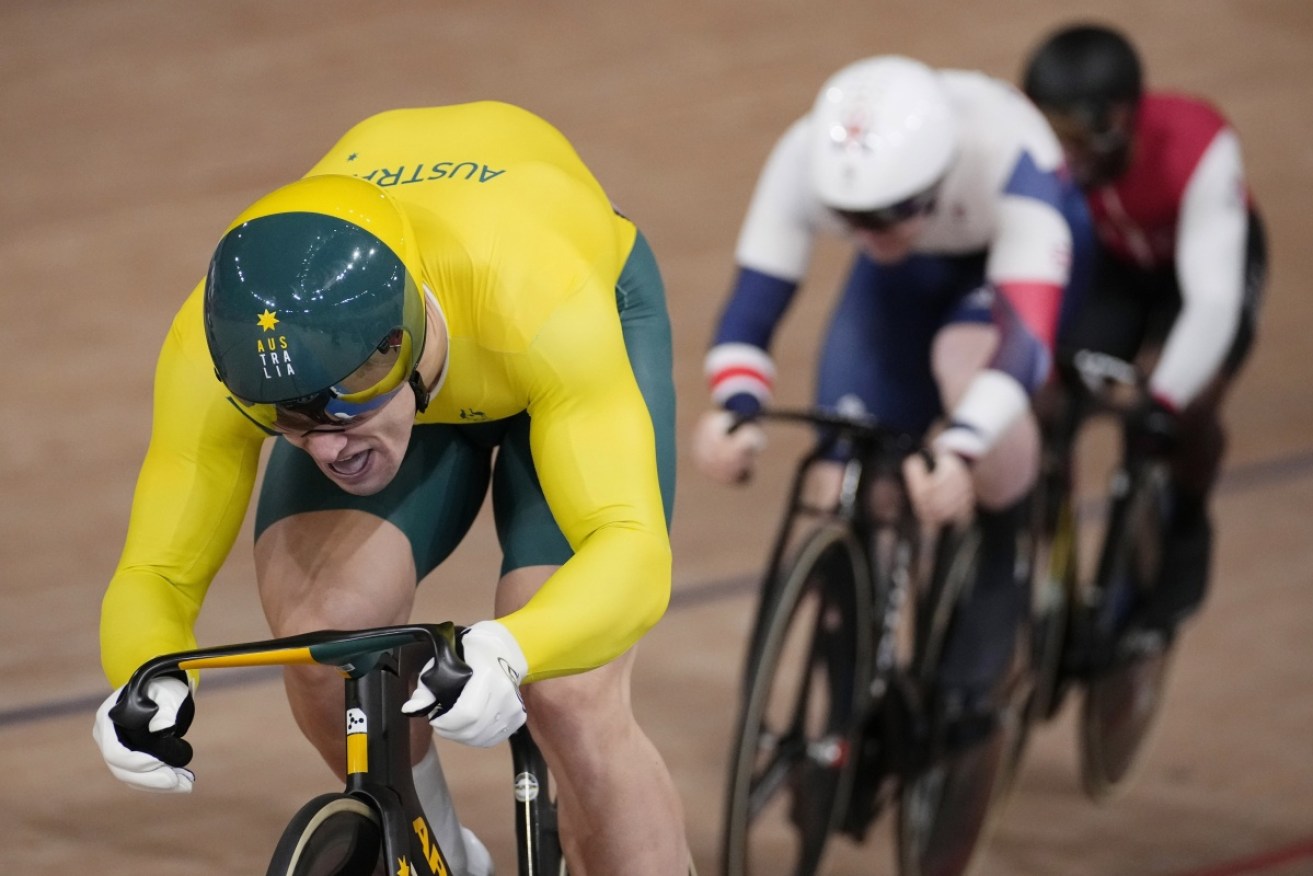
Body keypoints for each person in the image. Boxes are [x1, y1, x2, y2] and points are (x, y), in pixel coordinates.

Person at [92, 101, 691, 875]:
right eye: (289, 421)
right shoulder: (225, 350)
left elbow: (631, 551)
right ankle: (440, 850)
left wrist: (515, 649)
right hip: (419, 354)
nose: (328, 446)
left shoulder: (534, 294)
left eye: (346, 408)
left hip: (539, 335)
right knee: (323, 645)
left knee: (569, 694)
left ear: (400, 345)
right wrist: (145, 674)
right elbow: (156, 571)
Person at [693, 55, 1092, 746]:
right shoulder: (803, 156)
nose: (871, 234)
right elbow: (751, 309)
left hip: (1009, 262)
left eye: (888, 214)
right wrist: (735, 408)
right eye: (852, 220)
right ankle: (847, 714)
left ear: (936, 180)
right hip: (903, 284)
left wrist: (960, 446)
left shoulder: (1014, 161)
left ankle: (1002, 557)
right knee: (837, 473)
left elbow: (1021, 351)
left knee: (965, 371)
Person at [1022, 23, 1266, 651]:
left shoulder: (1195, 145)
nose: (1065, 156)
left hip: (1204, 272)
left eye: (1078, 137)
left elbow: (1212, 301)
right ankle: (1044, 572)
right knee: (1047, 399)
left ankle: (1185, 520)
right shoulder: (1058, 157)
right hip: (1117, 270)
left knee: (1178, 411)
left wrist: (1163, 400)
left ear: (1123, 117)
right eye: (1053, 134)